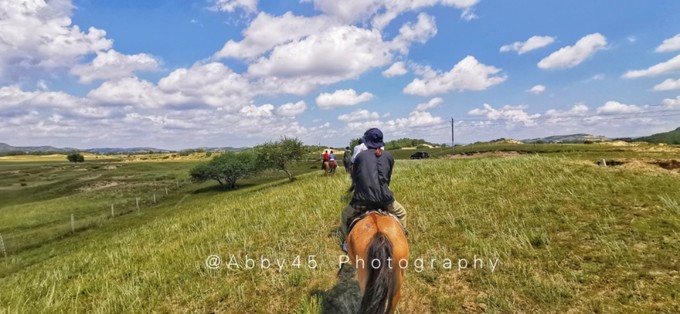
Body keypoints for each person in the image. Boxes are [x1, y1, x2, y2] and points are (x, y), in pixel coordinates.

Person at [341, 128, 407, 244]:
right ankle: (403, 238)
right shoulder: (389, 156)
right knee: (402, 213)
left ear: (366, 141)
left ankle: (346, 243)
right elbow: (387, 179)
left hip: (362, 201)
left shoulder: (360, 156)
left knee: (345, 215)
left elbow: (356, 178)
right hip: (385, 200)